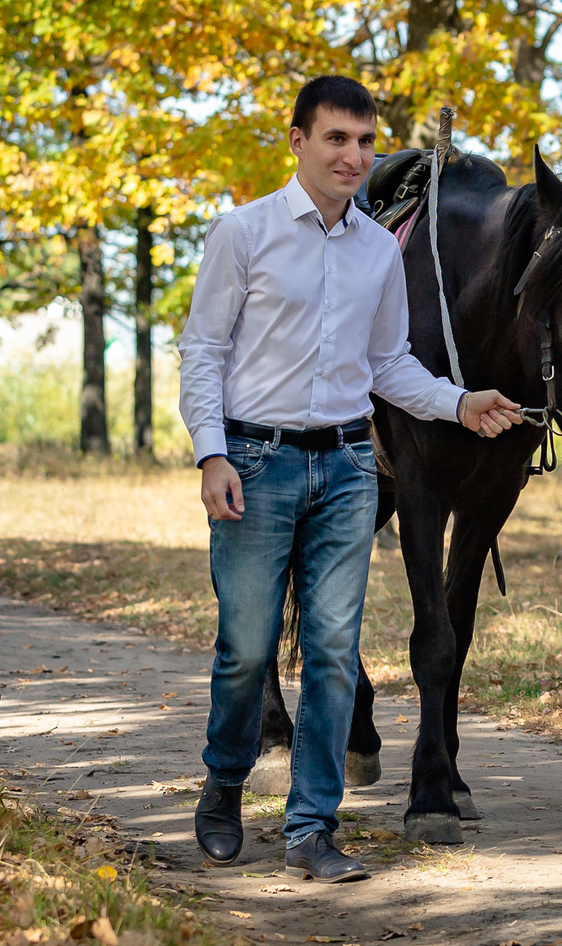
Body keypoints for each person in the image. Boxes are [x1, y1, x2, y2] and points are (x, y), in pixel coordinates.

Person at [179, 76, 522, 880]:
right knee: (246, 646)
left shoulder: (377, 247)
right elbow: (204, 352)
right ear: (297, 140)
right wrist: (211, 453)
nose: (353, 156)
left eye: (365, 142)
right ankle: (224, 786)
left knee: (333, 651)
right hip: (255, 463)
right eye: (336, 138)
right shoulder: (244, 232)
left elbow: (388, 364)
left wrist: (461, 402)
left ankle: (311, 827)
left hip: (346, 465)